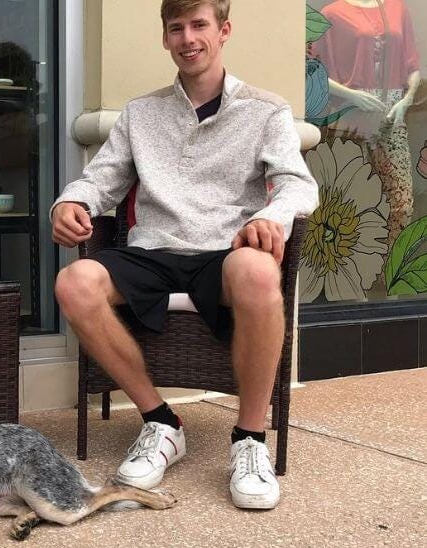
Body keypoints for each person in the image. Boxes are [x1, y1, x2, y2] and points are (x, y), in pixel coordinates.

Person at [51, 0, 318, 510]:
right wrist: (71, 202)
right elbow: (99, 181)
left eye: (199, 25)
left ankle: (249, 439)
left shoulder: (267, 111)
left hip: (225, 251)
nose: (188, 38)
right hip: (153, 251)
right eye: (177, 28)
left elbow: (296, 186)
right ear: (166, 38)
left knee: (260, 269)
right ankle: (161, 422)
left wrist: (270, 218)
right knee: (74, 283)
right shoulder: (140, 113)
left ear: (224, 31)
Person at [312, 0, 420, 256]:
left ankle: (389, 274)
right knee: (350, 202)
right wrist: (351, 95)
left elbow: (412, 66)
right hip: (351, 118)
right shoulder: (333, 13)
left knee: (401, 202)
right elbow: (313, 70)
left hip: (392, 116)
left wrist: (406, 101)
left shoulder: (397, 8)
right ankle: (355, 278)